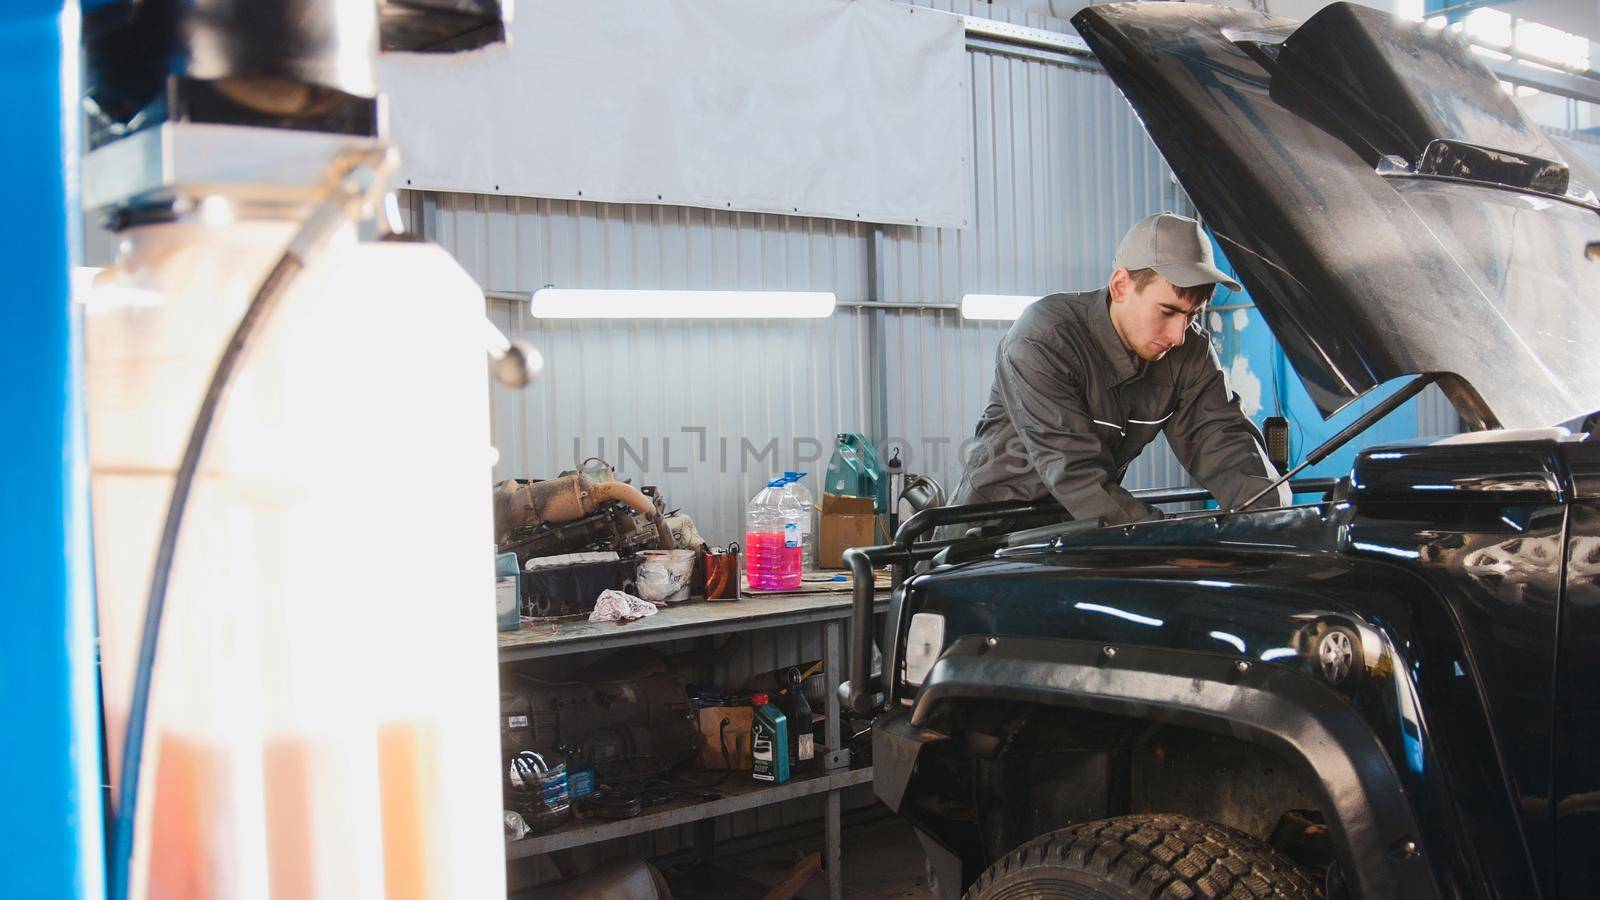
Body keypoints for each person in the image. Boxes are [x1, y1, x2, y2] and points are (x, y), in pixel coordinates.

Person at [946, 212, 1289, 533]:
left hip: (1082, 529)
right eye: (1167, 311)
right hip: (989, 532)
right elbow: (1076, 473)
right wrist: (1167, 539)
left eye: (1192, 316)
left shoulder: (1189, 351)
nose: (1178, 335)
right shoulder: (1044, 339)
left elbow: (1225, 443)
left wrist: (1275, 525)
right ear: (1121, 285)